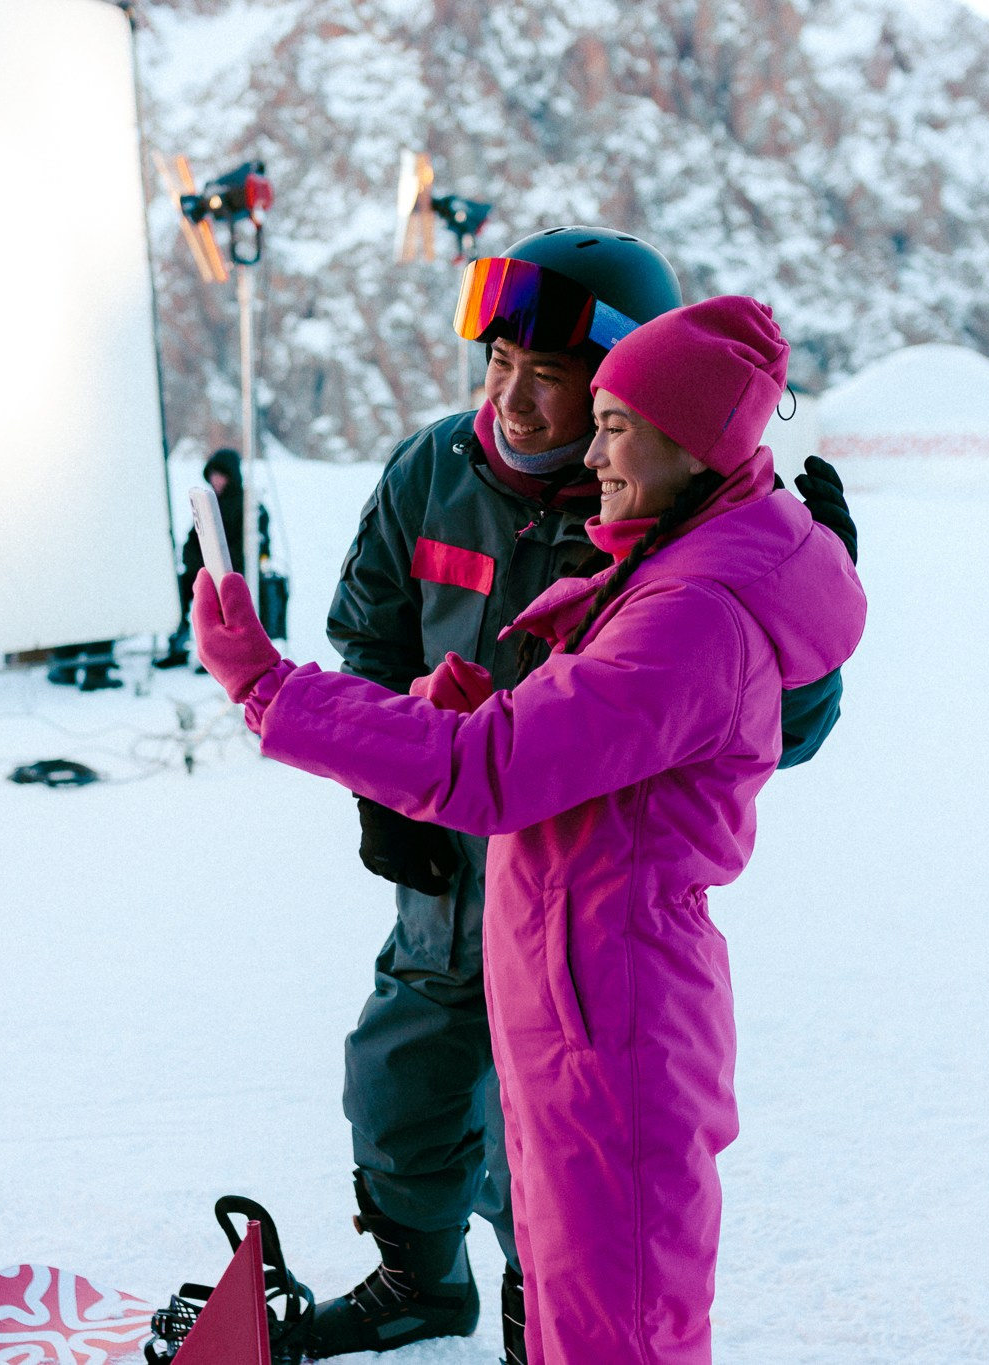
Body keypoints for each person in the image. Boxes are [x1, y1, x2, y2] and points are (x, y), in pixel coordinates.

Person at [193, 295, 867, 1365]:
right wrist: (472, 707)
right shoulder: (657, 559)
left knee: (616, 1328)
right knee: (567, 1306)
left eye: (610, 428)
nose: (586, 456)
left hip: (612, 1008)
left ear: (687, 444)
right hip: (570, 978)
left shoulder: (689, 607)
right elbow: (569, 747)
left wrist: (267, 688)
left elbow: (496, 772)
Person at [156, 447, 270, 670]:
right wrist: (195, 563)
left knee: (215, 602)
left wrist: (218, 567)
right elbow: (193, 538)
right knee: (178, 590)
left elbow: (254, 547)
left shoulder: (250, 505)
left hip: (233, 574)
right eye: (213, 475)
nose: (216, 481)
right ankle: (178, 645)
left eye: (221, 475)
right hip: (204, 571)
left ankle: (217, 655)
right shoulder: (210, 504)